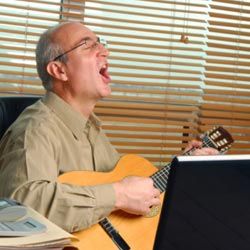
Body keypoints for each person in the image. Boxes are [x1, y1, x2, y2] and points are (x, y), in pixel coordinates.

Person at [0, 21, 218, 233]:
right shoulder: (35, 128)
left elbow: (130, 193)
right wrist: (119, 194)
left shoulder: (92, 129)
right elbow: (21, 205)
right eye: (88, 44)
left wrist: (182, 168)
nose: (105, 51)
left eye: (101, 42)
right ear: (59, 70)